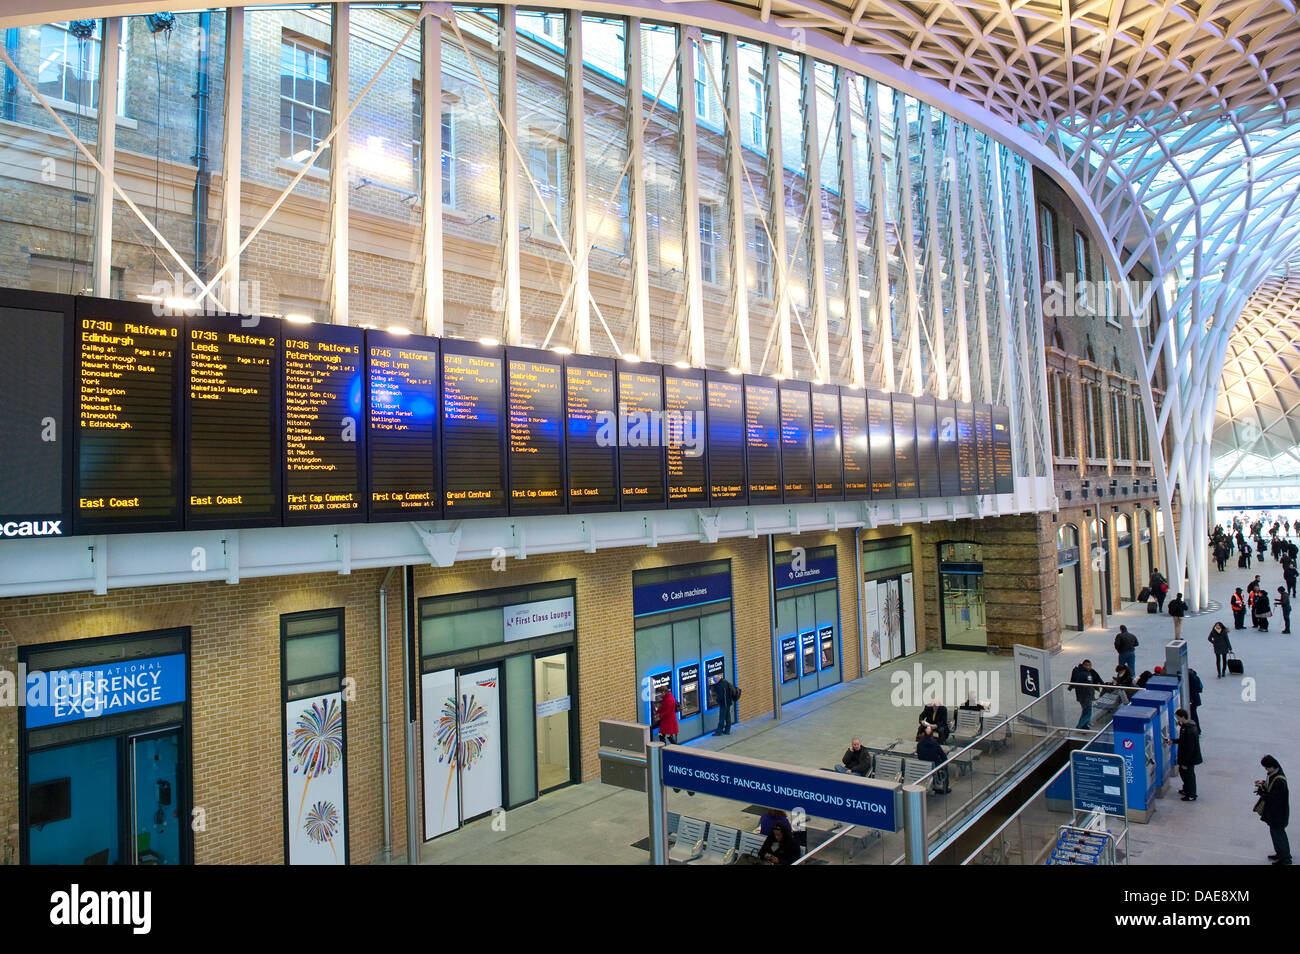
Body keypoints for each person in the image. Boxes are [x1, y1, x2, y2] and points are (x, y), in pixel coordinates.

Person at [1255, 756, 1291, 865]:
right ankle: (1280, 853)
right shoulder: (1274, 774)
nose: (1266, 770)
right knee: (1275, 834)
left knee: (1279, 835)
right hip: (1275, 813)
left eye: (1267, 768)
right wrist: (1262, 784)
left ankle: (1285, 858)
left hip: (1278, 814)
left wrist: (1262, 793)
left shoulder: (1279, 780)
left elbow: (1275, 798)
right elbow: (1271, 788)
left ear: (1272, 766)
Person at [1174, 708, 1202, 801]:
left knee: (1189, 775)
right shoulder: (1186, 726)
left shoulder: (1189, 730)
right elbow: (1183, 740)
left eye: (1178, 717)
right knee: (1183, 773)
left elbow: (1190, 748)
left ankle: (1191, 795)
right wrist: (1173, 741)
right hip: (1186, 756)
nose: (1177, 719)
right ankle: (1186, 790)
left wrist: (1185, 763)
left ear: (1182, 717)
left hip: (1189, 758)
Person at [1070, 659, 1104, 729]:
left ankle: (1084, 725)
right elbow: (1087, 686)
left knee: (1085, 711)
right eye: (1088, 665)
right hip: (1085, 696)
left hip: (1083, 696)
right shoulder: (1084, 674)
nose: (1089, 667)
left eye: (1090, 665)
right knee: (1087, 711)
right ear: (1084, 665)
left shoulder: (1082, 672)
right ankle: (1080, 726)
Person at [916, 725, 950, 794]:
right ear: (932, 735)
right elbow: (943, 756)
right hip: (934, 768)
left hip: (923, 766)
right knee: (945, 764)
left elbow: (919, 755)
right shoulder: (935, 744)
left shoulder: (919, 744)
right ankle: (945, 788)